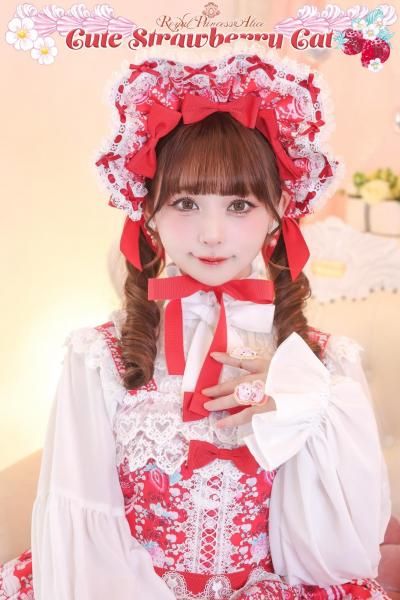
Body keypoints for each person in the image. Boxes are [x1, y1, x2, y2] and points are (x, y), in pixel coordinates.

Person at [0, 43, 392, 600]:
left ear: (278, 214)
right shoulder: (98, 357)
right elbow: (83, 533)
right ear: (149, 211)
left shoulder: (325, 366)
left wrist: (305, 400)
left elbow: (335, 556)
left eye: (240, 205)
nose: (211, 234)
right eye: (185, 203)